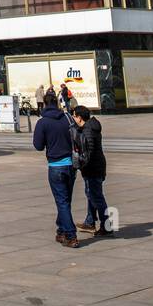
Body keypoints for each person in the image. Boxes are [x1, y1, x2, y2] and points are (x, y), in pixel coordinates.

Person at [32, 92, 79, 248]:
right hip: (71, 165)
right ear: (58, 103)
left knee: (62, 201)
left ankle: (71, 235)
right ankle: (61, 230)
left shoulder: (43, 122)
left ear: (44, 104)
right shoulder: (67, 118)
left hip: (56, 166)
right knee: (66, 200)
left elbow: (38, 146)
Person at [72, 106, 111, 236]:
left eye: (74, 116)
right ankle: (89, 222)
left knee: (97, 197)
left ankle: (107, 226)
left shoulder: (88, 130)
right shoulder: (91, 127)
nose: (73, 118)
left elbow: (89, 150)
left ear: (79, 117)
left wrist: (81, 163)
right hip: (96, 166)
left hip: (93, 168)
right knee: (91, 194)